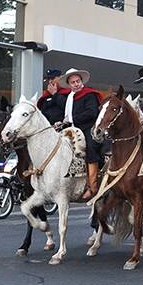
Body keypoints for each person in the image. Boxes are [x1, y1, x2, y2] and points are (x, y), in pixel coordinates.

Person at [60, 68, 103, 199]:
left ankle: (92, 186)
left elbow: (92, 113)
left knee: (90, 149)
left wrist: (72, 119)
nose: (76, 84)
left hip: (88, 128)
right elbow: (68, 116)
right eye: (73, 82)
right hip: (73, 129)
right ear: (69, 84)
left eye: (77, 81)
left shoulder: (89, 94)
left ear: (81, 81)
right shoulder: (70, 97)